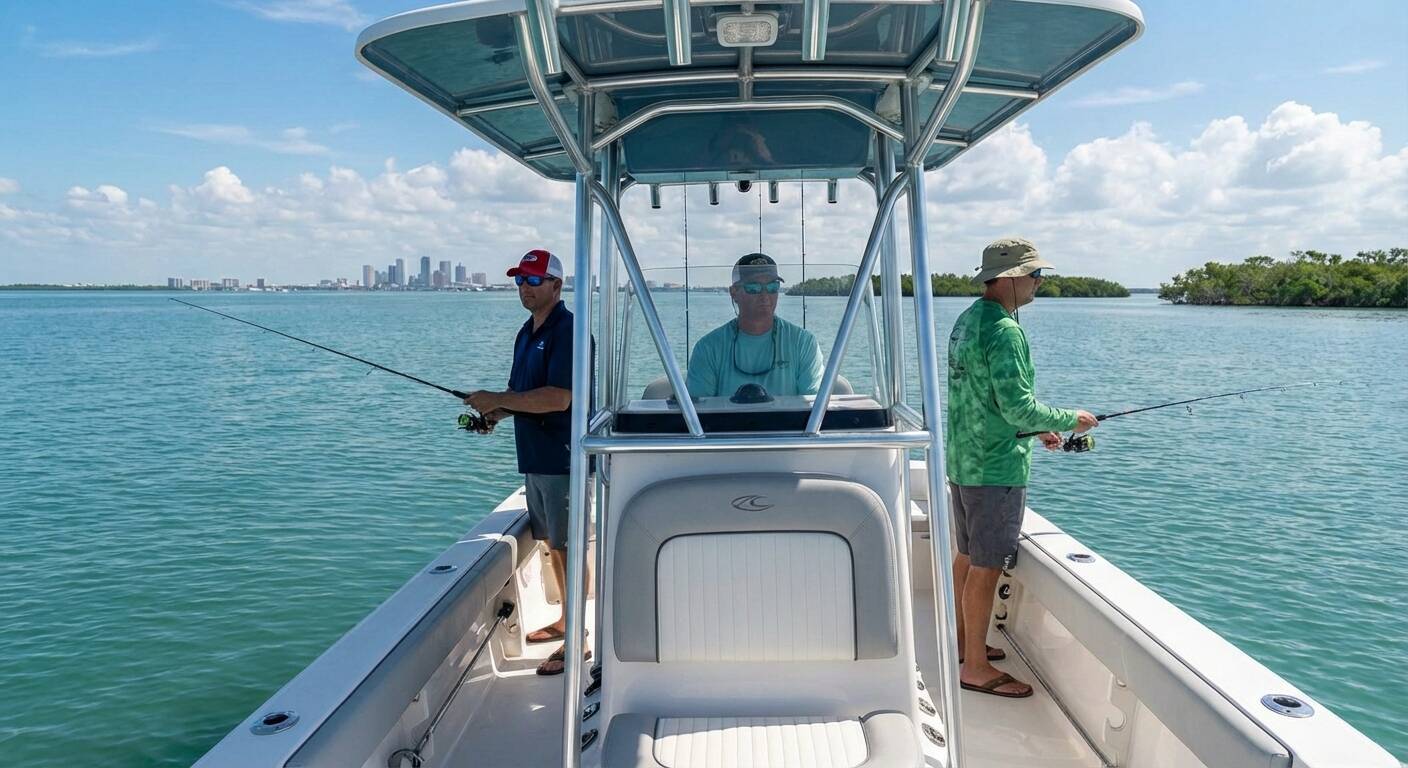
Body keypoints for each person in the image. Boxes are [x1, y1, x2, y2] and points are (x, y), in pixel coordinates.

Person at [945, 237, 1099, 698]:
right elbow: (1017, 406)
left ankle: (962, 643)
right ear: (1011, 279)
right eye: (1035, 275)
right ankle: (974, 667)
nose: (1039, 283)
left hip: (964, 459)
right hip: (995, 470)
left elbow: (986, 399)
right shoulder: (1005, 330)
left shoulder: (968, 319)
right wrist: (1071, 419)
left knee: (968, 556)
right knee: (987, 566)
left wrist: (1035, 430)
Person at [464, 248, 589, 676]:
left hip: (563, 457)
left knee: (569, 547)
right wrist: (494, 415)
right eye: (520, 280)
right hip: (535, 457)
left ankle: (578, 640)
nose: (525, 288)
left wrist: (498, 399)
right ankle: (564, 620)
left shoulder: (569, 330)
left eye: (534, 281)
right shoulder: (526, 331)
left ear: (557, 285)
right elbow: (522, 392)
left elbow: (559, 397)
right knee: (553, 544)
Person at [686, 253, 824, 399]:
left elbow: (814, 405)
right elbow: (699, 410)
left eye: (772, 287)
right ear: (734, 293)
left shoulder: (804, 343)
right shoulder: (708, 348)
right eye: (753, 288)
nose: (765, 295)